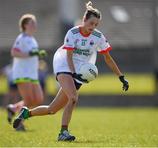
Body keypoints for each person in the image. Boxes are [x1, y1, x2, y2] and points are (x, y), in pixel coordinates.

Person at [13, 1, 129, 141]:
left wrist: (121, 77)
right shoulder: (73, 33)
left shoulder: (98, 37)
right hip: (63, 64)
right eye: (91, 23)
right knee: (73, 97)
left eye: (96, 25)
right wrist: (73, 72)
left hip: (80, 69)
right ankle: (63, 133)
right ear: (84, 20)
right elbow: (68, 56)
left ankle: (26, 113)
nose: (93, 27)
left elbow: (108, 58)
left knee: (52, 109)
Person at [7, 14, 47, 130]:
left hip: (32, 74)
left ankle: (14, 108)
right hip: (22, 73)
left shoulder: (32, 40)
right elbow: (14, 52)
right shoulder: (22, 38)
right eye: (32, 23)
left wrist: (38, 55)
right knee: (29, 100)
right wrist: (30, 54)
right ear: (25, 25)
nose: (35, 25)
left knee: (38, 99)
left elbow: (31, 56)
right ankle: (19, 123)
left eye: (35, 23)